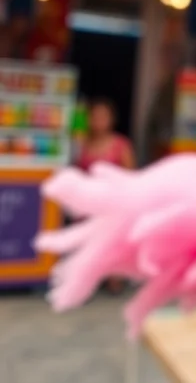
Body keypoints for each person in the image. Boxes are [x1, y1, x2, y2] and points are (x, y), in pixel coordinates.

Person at [75, 98, 135, 294]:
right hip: (88, 202)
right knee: (88, 241)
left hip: (112, 202)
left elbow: (129, 175)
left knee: (111, 241)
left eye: (103, 117)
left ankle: (113, 277)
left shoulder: (121, 145)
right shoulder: (82, 143)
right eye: (95, 117)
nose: (99, 121)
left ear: (111, 120)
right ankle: (89, 278)